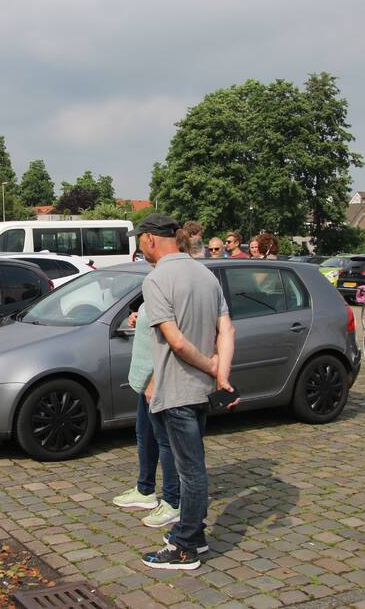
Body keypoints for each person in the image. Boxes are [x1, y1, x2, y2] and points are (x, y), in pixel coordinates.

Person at [131, 214, 235, 571]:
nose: (139, 247)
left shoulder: (156, 279)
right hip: (201, 391)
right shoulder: (205, 274)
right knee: (193, 465)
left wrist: (211, 367)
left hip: (177, 391)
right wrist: (220, 372)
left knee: (190, 470)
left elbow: (175, 341)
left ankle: (185, 546)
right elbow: (227, 329)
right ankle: (194, 534)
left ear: (150, 239)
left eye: (139, 240)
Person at [111, 302, 180, 529]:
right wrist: (138, 315)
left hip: (158, 380)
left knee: (166, 441)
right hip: (147, 380)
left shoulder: (169, 288)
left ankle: (173, 502)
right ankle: (145, 490)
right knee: (145, 434)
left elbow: (172, 340)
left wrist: (154, 380)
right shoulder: (155, 287)